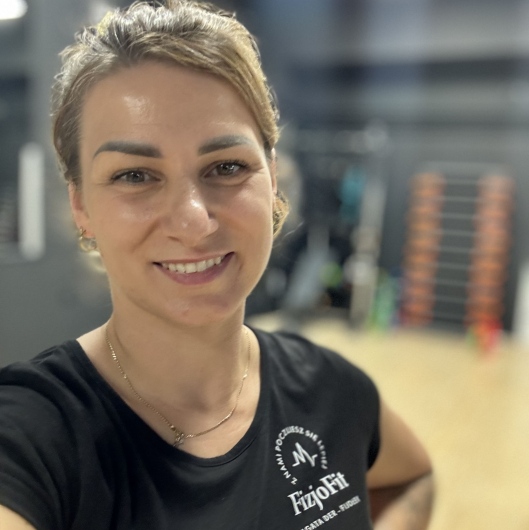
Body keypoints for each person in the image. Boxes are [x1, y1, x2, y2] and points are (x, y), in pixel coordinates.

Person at [0, 1, 434, 528]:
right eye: (135, 175)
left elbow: (411, 478)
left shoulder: (330, 387)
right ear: (81, 206)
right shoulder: (33, 436)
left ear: (272, 180)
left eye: (226, 166)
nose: (193, 222)